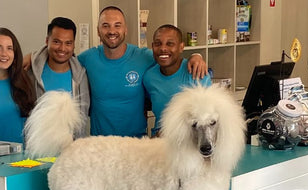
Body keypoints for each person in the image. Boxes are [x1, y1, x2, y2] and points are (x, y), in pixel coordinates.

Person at [77, 6, 208, 137]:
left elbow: (170, 58)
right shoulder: (87, 58)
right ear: (98, 31)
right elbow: (64, 65)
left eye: (117, 25)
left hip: (137, 143)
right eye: (105, 26)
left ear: (125, 29)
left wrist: (196, 56)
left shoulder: (143, 57)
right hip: (100, 144)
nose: (112, 31)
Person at [143, 24, 212, 136]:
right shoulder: (149, 77)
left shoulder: (197, 73)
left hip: (190, 144)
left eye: (170, 44)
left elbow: (208, 119)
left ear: (181, 47)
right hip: (159, 142)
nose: (163, 48)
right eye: (158, 44)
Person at [28, 17, 90, 137]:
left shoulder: (81, 76)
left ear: (73, 45)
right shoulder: (30, 73)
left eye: (68, 43)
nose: (62, 48)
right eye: (56, 42)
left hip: (72, 150)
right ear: (47, 41)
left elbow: (82, 120)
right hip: (38, 151)